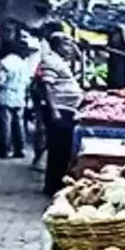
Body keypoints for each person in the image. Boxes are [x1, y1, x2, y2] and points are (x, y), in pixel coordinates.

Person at [37, 32, 84, 194]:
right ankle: (53, 185)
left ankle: (57, 182)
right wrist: (54, 110)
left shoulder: (60, 61)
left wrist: (79, 55)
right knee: (58, 149)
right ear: (57, 45)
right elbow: (47, 86)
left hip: (67, 109)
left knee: (64, 148)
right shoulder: (50, 60)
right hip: (59, 109)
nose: (70, 48)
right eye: (67, 44)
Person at [0, 41, 30, 158]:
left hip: (5, 96)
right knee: (19, 124)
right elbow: (27, 81)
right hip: (20, 96)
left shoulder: (5, 63)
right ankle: (20, 149)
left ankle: (4, 150)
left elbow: (0, 81)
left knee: (5, 125)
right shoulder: (24, 63)